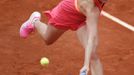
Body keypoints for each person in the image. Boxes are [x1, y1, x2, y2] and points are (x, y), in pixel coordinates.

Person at [19, 0, 107, 75]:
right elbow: (91, 39)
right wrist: (86, 65)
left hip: (82, 18)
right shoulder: (92, 9)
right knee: (48, 39)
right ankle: (34, 21)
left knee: (93, 54)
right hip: (66, 13)